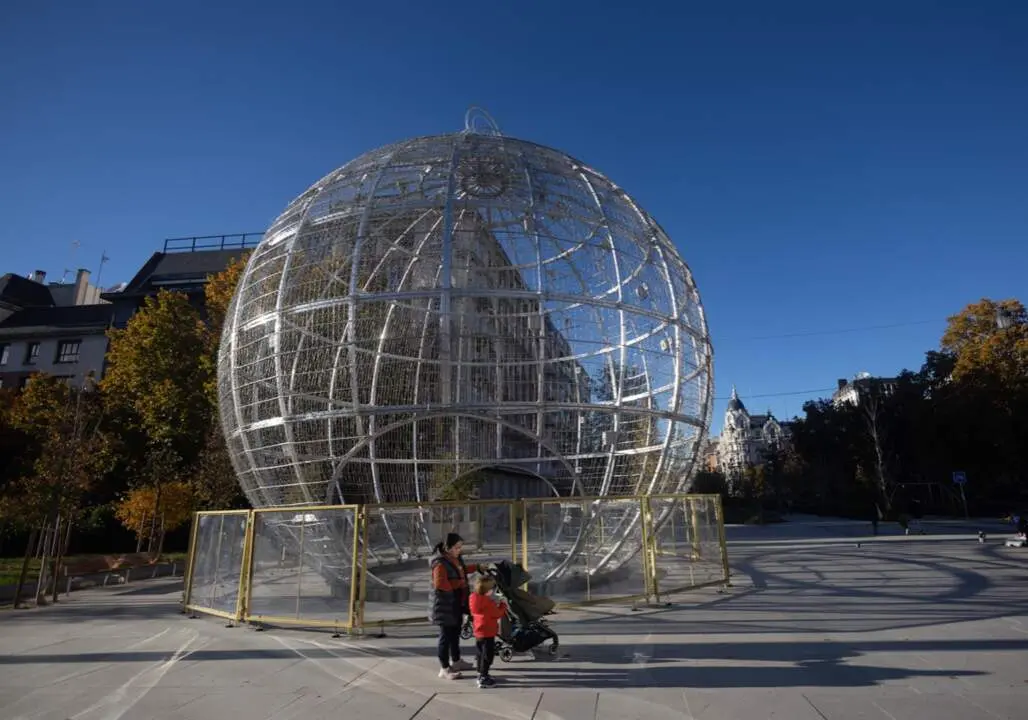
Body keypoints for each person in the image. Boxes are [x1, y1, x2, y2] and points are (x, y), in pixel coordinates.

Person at [430, 532, 485, 680]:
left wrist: (477, 567)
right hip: (445, 604)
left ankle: (456, 661)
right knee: (445, 637)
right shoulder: (440, 562)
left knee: (455, 634)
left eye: (460, 547)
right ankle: (444, 668)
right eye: (457, 547)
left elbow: (461, 571)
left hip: (455, 602)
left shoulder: (454, 559)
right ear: (448, 547)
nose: (459, 550)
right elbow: (440, 584)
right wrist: (459, 584)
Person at [469, 575, 508, 689]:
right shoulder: (488, 603)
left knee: (480, 653)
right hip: (488, 631)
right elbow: (497, 614)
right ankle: (483, 677)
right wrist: (503, 604)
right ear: (488, 590)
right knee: (488, 655)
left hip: (479, 631)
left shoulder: (473, 598)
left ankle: (479, 672)